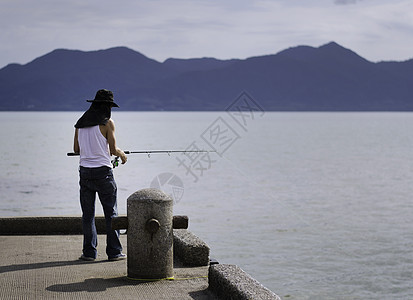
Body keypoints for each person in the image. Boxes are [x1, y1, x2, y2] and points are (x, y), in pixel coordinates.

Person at [73, 89, 127, 261]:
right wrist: (122, 154)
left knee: (88, 215)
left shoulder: (80, 123)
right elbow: (113, 150)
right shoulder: (107, 123)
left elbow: (76, 149)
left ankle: (89, 253)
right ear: (107, 107)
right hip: (103, 173)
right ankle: (114, 252)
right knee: (111, 213)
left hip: (85, 173)